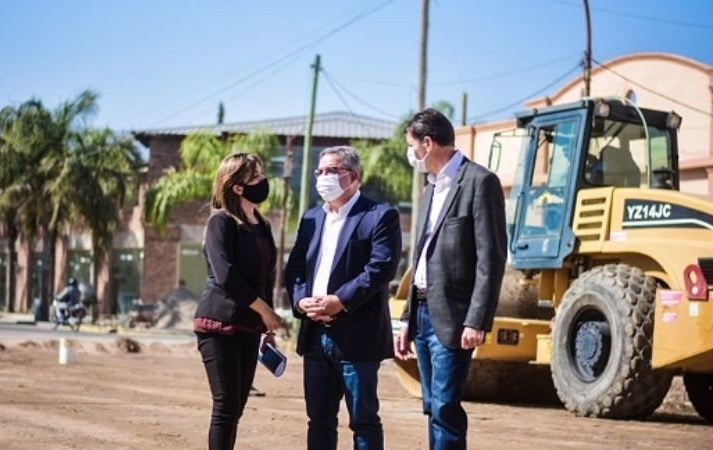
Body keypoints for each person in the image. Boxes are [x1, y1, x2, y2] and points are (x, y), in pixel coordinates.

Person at [394, 108, 507, 450]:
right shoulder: (430, 190)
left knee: (445, 407)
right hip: (423, 313)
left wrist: (477, 320)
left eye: (412, 146)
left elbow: (492, 258)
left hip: (454, 319)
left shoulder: (479, 182)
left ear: (427, 144)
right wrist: (407, 319)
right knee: (431, 407)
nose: (411, 154)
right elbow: (422, 259)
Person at [285, 145, 402, 450]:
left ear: (353, 176)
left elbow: (380, 268)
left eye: (332, 171)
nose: (324, 177)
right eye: (320, 171)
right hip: (314, 337)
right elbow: (296, 266)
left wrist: (339, 301)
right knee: (319, 421)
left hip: (357, 337)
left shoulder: (379, 216)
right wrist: (300, 301)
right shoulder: (311, 218)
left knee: (363, 422)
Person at [193, 152, 283, 450]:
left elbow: (265, 277)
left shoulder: (262, 224)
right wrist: (264, 310)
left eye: (261, 174)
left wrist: (266, 327)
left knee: (237, 407)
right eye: (255, 176)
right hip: (218, 322)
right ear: (237, 187)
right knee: (226, 406)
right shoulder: (221, 223)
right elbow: (226, 276)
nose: (263, 181)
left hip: (249, 326)